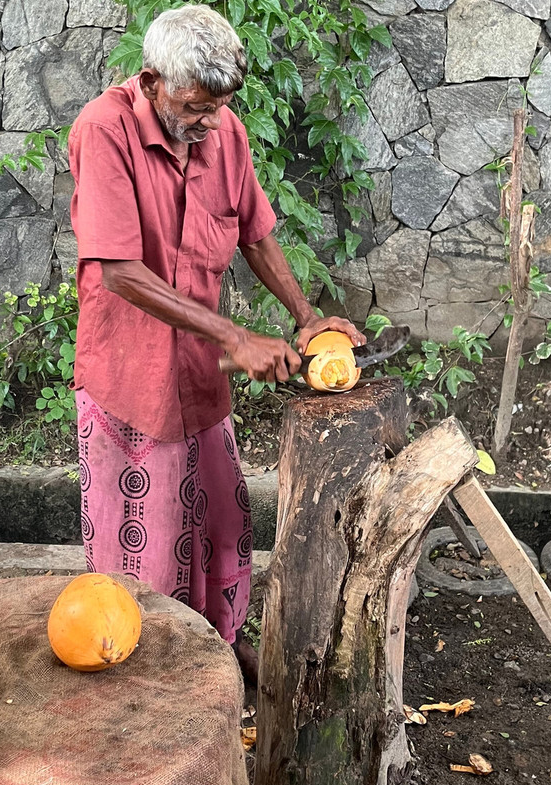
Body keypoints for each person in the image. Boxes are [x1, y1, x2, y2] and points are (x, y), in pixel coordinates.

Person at [67, 3, 363, 679]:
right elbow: (118, 271)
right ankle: (153, 671)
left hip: (200, 373)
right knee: (147, 540)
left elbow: (254, 230)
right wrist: (237, 334)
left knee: (224, 527)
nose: (211, 121)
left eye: (222, 105)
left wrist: (305, 316)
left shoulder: (223, 133)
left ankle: (220, 648)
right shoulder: (103, 130)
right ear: (151, 81)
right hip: (130, 375)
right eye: (198, 106)